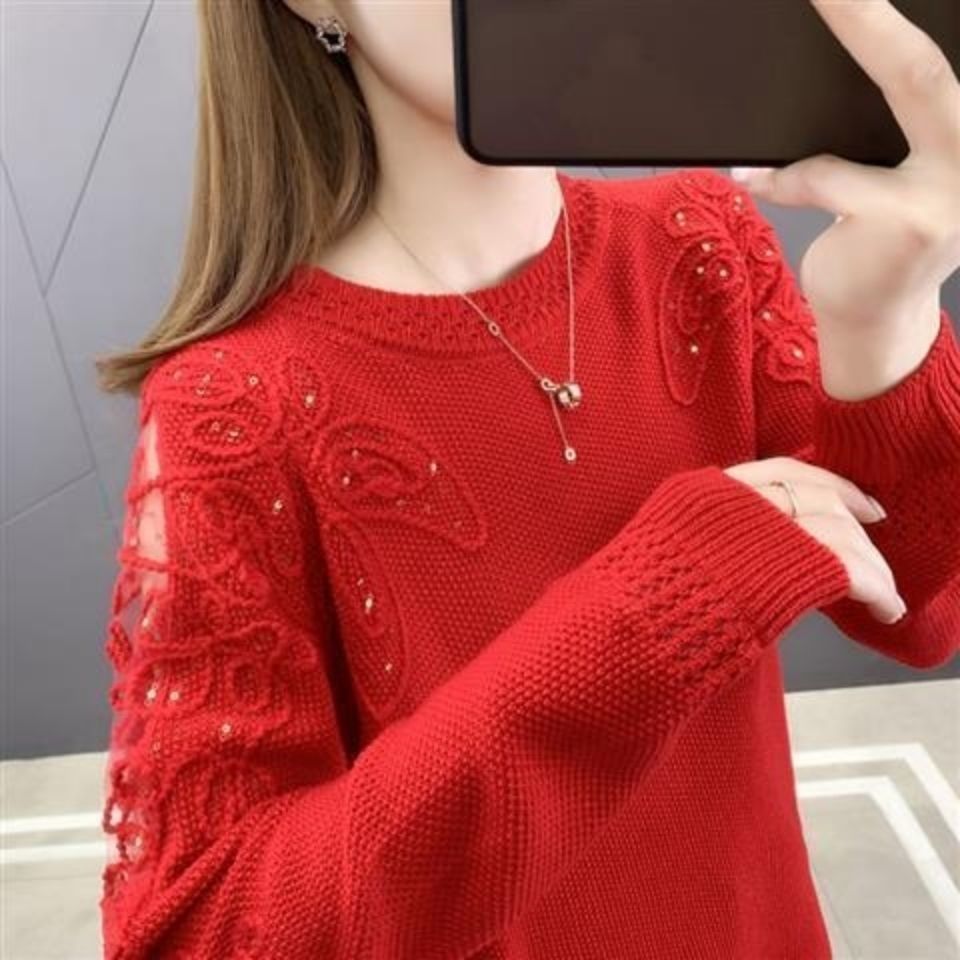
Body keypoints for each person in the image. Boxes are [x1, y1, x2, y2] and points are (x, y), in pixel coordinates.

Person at [93, 1, 960, 957]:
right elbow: (201, 930)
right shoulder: (231, 409)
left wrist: (884, 324)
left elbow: (920, 606)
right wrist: (658, 611)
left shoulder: (697, 242)